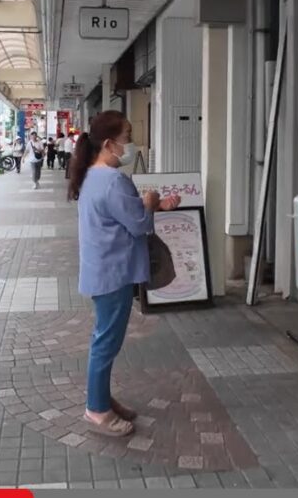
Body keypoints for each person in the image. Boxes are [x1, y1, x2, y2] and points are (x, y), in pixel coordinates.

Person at [69, 110, 180, 437]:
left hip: (103, 270)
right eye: (127, 137)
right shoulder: (114, 180)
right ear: (108, 144)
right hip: (113, 273)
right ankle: (96, 409)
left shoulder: (93, 176)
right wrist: (151, 202)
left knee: (104, 339)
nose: (131, 144)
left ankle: (101, 398)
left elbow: (122, 216)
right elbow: (139, 224)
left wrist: (153, 205)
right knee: (106, 342)